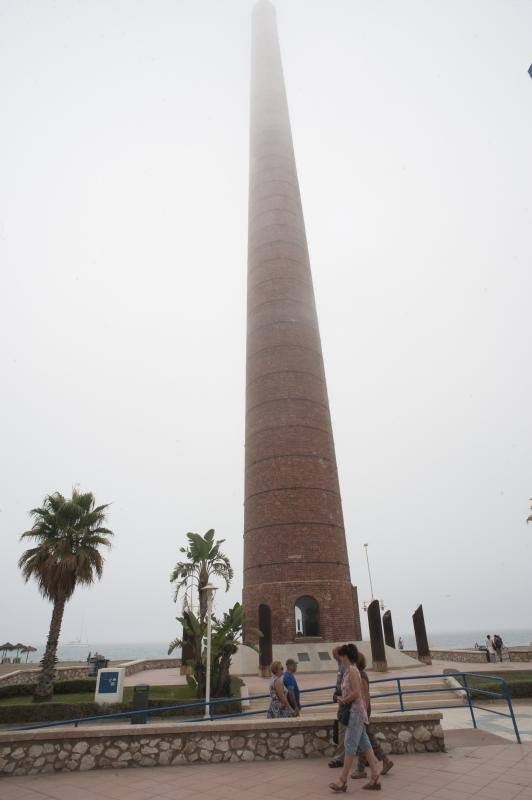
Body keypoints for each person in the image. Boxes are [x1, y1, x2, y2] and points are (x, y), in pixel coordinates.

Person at [328, 643, 381, 793]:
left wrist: (344, 700)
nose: (340, 658)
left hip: (355, 712)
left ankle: (342, 781)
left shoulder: (351, 670)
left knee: (350, 744)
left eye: (341, 655)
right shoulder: (348, 671)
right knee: (365, 744)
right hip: (355, 711)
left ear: (345, 656)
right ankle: (375, 777)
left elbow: (357, 692)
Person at [352, 651, 394, 780]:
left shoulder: (361, 676)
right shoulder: (360, 674)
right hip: (362, 711)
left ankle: (361, 769)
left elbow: (365, 695)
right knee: (366, 738)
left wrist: (363, 713)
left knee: (362, 739)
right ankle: (384, 760)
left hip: (362, 711)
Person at [328, 646, 346, 768]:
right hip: (343, 701)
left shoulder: (345, 666)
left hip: (345, 702)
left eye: (334, 655)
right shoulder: (341, 664)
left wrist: (339, 696)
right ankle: (368, 756)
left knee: (343, 731)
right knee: (361, 733)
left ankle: (340, 758)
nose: (334, 657)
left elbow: (344, 684)